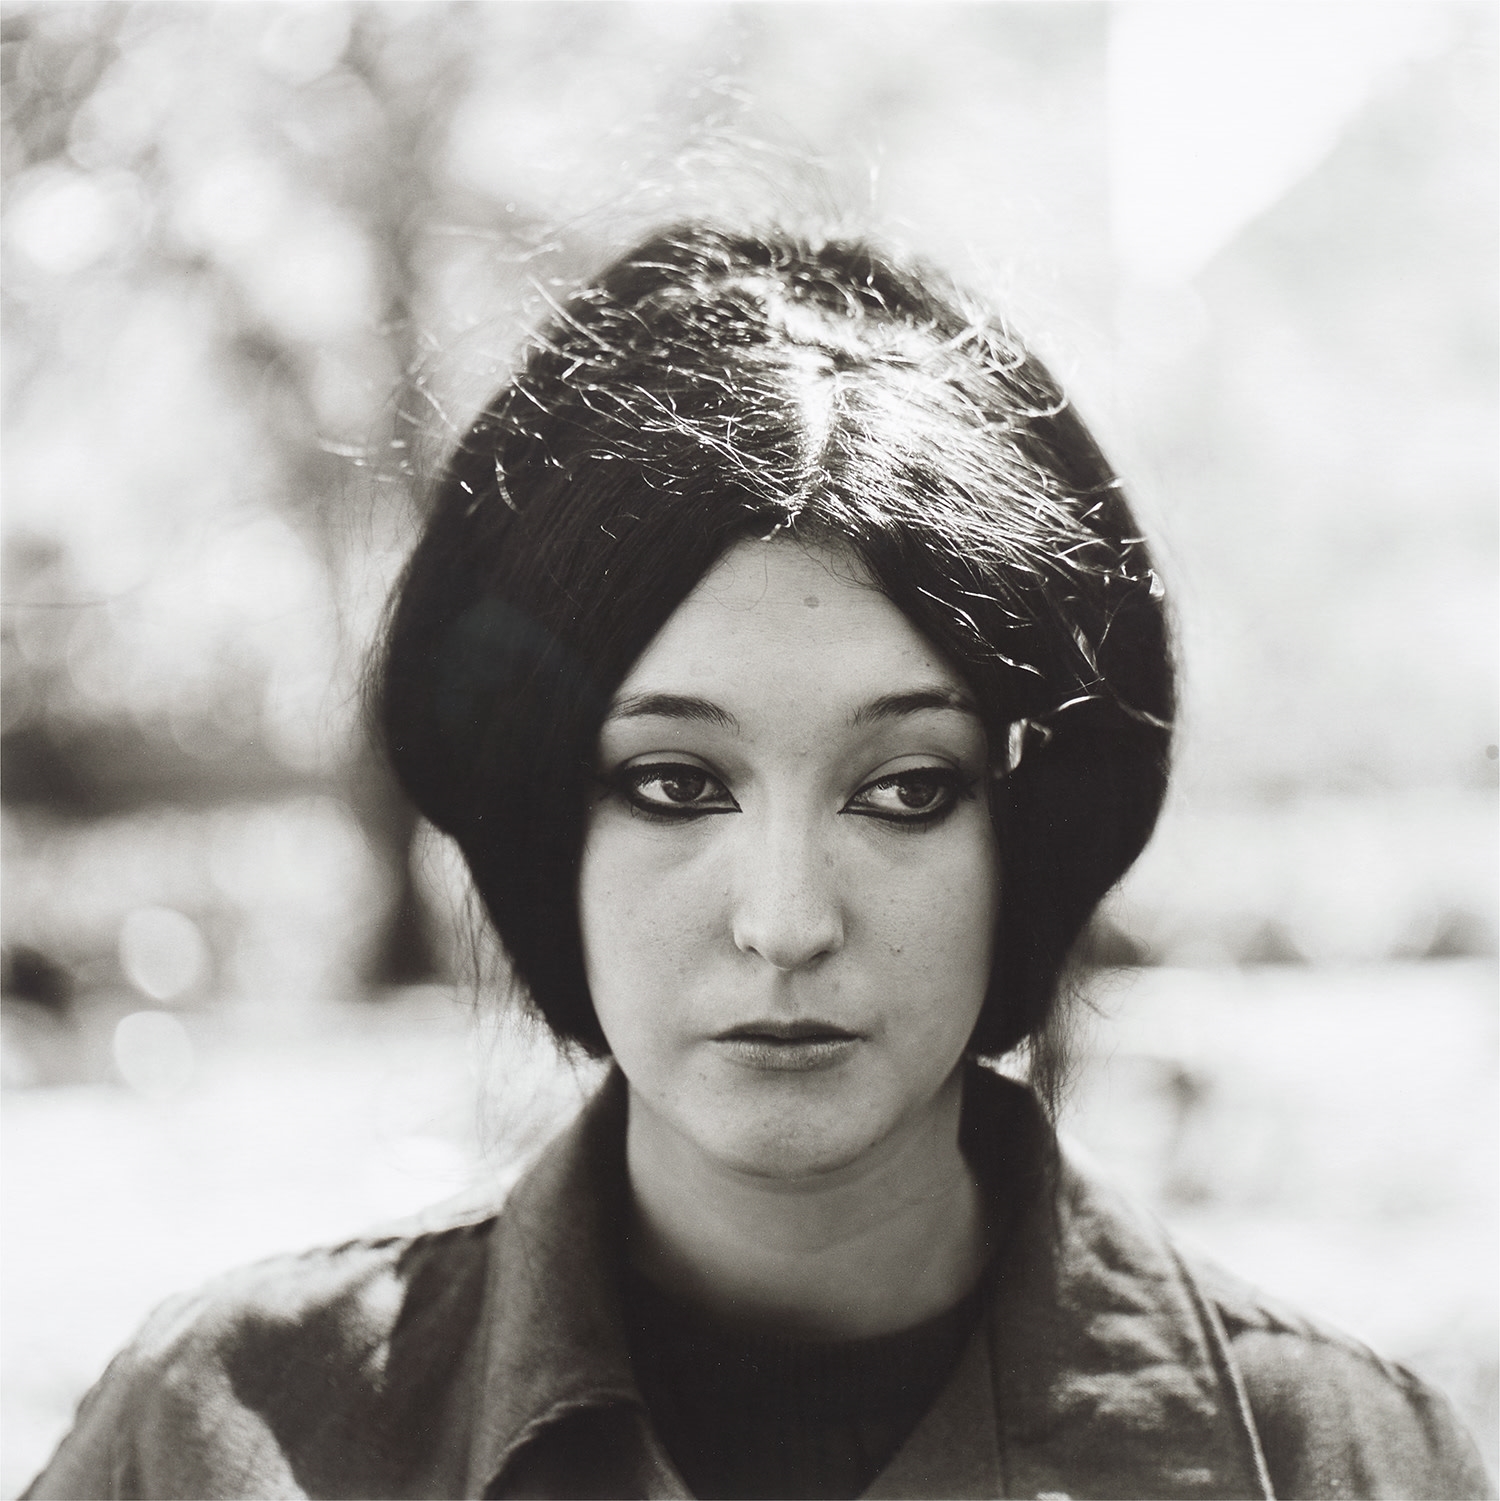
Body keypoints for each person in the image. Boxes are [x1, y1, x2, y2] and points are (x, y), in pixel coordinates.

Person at [25, 224, 1491, 1501]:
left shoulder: (1340, 1465)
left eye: (908, 789)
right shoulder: (220, 1438)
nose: (786, 920)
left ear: (1027, 832)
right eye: (673, 783)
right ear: (545, 817)